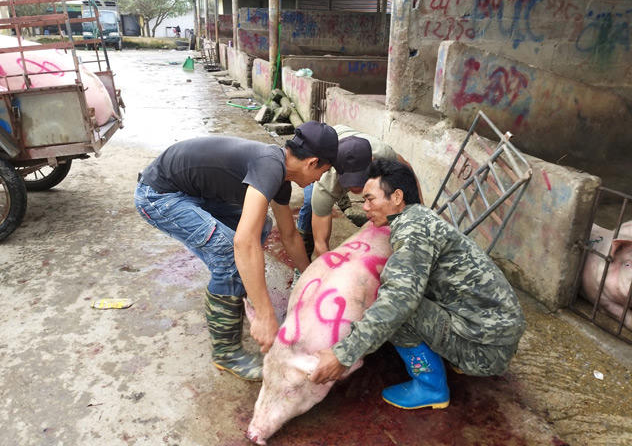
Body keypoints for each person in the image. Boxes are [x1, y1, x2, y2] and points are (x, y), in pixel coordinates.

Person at [135, 121, 351, 382]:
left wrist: (310, 279)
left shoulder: (280, 175)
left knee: (261, 227)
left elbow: (289, 235)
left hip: (190, 191)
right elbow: (243, 243)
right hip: (158, 196)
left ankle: (233, 285)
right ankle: (226, 352)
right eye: (323, 172)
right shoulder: (270, 166)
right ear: (312, 162)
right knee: (231, 253)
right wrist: (265, 314)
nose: (318, 180)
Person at [309, 158, 526, 410]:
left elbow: (398, 302)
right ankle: (454, 353)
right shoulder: (420, 216)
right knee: (402, 296)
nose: (365, 207)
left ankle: (430, 387)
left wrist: (343, 354)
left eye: (370, 199)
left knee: (397, 310)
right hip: (494, 332)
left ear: (397, 197)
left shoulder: (413, 231)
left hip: (487, 349)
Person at [296, 124, 423, 259]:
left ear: (372, 162)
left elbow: (408, 172)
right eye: (349, 181)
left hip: (351, 140)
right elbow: (321, 243)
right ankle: (304, 242)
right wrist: (329, 267)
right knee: (310, 203)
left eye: (359, 179)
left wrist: (420, 208)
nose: (355, 187)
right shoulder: (325, 184)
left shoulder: (383, 154)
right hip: (326, 146)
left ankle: (343, 200)